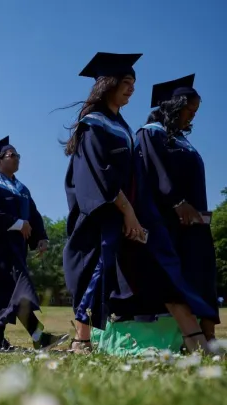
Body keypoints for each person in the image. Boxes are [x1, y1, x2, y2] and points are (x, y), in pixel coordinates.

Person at [62, 52, 210, 353]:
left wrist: (141, 217)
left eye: (133, 82)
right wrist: (127, 212)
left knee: (157, 268)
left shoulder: (124, 129)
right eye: (125, 82)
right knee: (95, 271)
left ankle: (194, 339)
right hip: (101, 215)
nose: (131, 88)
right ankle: (82, 341)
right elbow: (96, 174)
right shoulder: (94, 124)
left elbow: (138, 180)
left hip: (127, 215)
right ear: (108, 84)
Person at [137, 74, 219, 340]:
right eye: (189, 109)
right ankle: (188, 337)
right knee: (174, 276)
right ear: (173, 106)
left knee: (202, 270)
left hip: (193, 221)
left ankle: (209, 336)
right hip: (168, 219)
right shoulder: (151, 134)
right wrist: (177, 201)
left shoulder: (183, 140)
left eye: (195, 111)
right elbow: (155, 171)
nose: (192, 116)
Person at [0, 136, 67, 351]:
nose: (16, 159)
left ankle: (36, 338)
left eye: (17, 155)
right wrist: (16, 223)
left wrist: (40, 238)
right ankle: (2, 339)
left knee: (19, 293)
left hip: (15, 250)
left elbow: (33, 215)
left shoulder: (21, 189)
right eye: (11, 155)